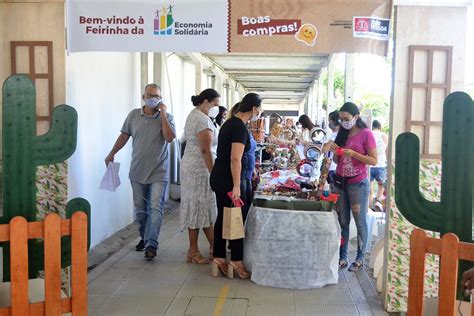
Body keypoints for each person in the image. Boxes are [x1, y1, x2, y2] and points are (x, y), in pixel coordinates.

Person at [105, 83, 176, 260]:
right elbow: (124, 135)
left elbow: (169, 138)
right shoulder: (134, 115)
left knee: (155, 207)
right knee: (140, 210)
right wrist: (112, 153)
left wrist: (164, 115)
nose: (152, 98)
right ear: (143, 97)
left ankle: (151, 243)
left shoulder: (166, 117)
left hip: (159, 171)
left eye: (156, 96)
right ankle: (144, 237)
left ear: (160, 99)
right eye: (149, 95)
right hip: (137, 171)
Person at [210, 93, 263, 279]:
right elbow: (235, 158)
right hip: (228, 178)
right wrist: (236, 186)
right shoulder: (239, 127)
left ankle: (219, 257)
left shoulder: (230, 123)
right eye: (259, 110)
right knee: (236, 218)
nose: (259, 113)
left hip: (220, 175)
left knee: (224, 216)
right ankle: (236, 260)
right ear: (254, 109)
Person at [328, 102, 377, 272]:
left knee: (360, 220)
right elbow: (336, 161)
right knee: (343, 221)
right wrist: (335, 153)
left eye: (346, 119)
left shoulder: (366, 134)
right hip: (341, 182)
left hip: (358, 183)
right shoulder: (342, 133)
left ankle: (360, 258)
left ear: (356, 117)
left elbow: (373, 160)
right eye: (341, 119)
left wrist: (354, 154)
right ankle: (342, 257)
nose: (343, 122)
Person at [180, 89, 220, 264]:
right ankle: (195, 250)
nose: (216, 109)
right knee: (199, 207)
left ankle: (204, 248)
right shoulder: (202, 120)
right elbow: (205, 150)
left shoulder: (193, 115)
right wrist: (214, 173)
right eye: (215, 105)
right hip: (199, 169)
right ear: (206, 102)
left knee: (198, 207)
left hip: (191, 166)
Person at [369, 120, 388, 212]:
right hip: (381, 164)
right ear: (380, 127)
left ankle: (369, 207)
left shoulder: (368, 134)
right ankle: (377, 201)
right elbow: (387, 151)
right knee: (381, 184)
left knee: (370, 187)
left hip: (370, 164)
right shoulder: (383, 136)